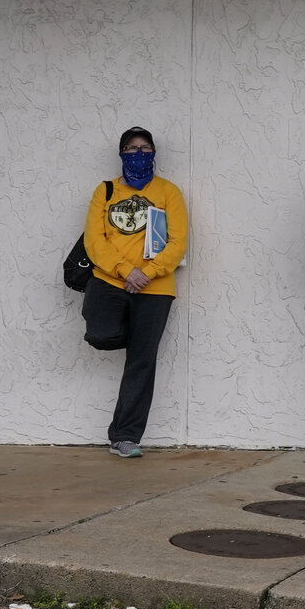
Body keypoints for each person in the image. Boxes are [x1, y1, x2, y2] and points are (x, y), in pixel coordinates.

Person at [81, 128, 189, 458]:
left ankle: (125, 436)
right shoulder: (106, 190)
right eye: (131, 148)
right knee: (100, 334)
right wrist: (128, 272)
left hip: (154, 288)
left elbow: (177, 241)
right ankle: (136, 332)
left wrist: (148, 273)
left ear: (154, 152)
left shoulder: (168, 192)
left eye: (144, 148)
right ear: (121, 153)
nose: (138, 153)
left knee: (142, 361)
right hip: (111, 281)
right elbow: (94, 239)